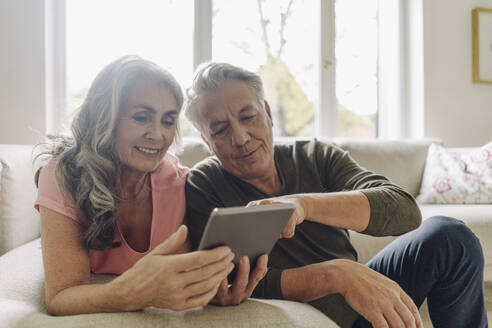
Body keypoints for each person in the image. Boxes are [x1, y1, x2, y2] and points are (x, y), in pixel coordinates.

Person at [183, 62, 488, 328]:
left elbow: (404, 211)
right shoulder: (204, 184)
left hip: (361, 312)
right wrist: (336, 275)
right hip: (298, 316)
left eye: (247, 116)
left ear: (267, 112)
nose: (240, 137)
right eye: (220, 129)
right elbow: (229, 280)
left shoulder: (316, 156)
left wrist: (302, 204)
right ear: (206, 140)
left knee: (450, 236)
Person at [34, 56, 266, 316]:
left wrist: (215, 289)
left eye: (168, 121)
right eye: (141, 117)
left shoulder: (182, 185)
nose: (157, 135)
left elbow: (191, 278)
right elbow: (61, 296)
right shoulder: (63, 175)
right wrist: (134, 292)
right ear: (104, 118)